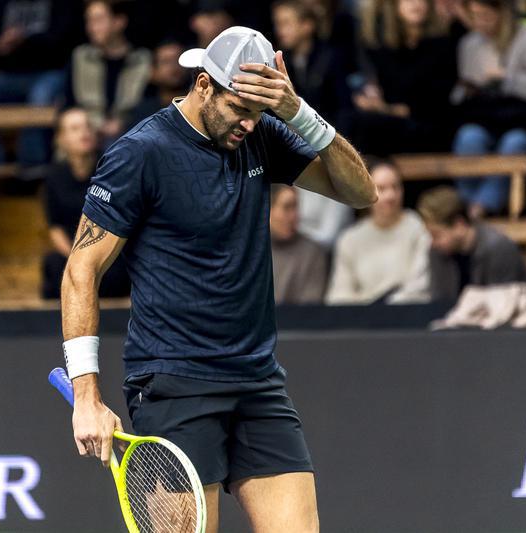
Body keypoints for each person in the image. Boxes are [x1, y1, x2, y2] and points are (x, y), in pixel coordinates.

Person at [60, 26, 376, 533]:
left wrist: (297, 112)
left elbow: (361, 193)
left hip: (256, 381)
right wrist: (86, 397)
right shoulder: (140, 153)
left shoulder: (262, 136)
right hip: (174, 384)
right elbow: (81, 270)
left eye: (259, 112)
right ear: (204, 84)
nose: (249, 124)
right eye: (239, 109)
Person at [451, 0, 526, 218]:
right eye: (474, 15)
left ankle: (478, 210)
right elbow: (459, 95)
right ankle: (467, 207)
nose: (480, 22)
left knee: (515, 143)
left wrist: (506, 79)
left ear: (502, 11)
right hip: (486, 118)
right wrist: (468, 88)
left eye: (486, 15)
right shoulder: (469, 44)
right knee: (468, 138)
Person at [0, 0, 84, 167]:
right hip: (8, 74)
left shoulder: (61, 4)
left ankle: (33, 168)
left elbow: (65, 40)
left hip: (49, 70)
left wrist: (25, 40)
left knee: (41, 97)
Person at [349, 0, 458, 155]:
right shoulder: (382, 48)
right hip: (391, 126)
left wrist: (390, 109)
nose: (416, 4)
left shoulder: (443, 44)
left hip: (431, 125)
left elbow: (438, 99)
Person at [42, 108, 130, 299]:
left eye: (87, 126)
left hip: (108, 254)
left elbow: (122, 221)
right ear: (61, 138)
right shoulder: (54, 177)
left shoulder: (112, 170)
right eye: (75, 128)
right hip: (72, 253)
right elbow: (55, 227)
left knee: (120, 270)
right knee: (54, 265)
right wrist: (76, 259)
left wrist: (96, 259)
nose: (84, 132)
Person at [326, 159, 431, 304]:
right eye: (381, 189)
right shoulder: (350, 239)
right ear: (365, 191)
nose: (390, 196)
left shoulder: (418, 228)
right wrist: (371, 309)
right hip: (362, 322)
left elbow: (420, 287)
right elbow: (338, 296)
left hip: (408, 317)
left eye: (396, 187)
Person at [417, 185, 526, 300]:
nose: (433, 242)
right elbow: (439, 302)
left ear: (459, 225)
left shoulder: (498, 248)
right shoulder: (437, 252)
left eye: (436, 235)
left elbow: (502, 306)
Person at [65, 0, 152, 146]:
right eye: (89, 21)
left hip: (132, 133)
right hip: (89, 132)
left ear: (119, 22)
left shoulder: (142, 60)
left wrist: (122, 123)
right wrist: (96, 124)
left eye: (98, 20)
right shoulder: (81, 57)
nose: (91, 28)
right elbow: (70, 102)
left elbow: (146, 105)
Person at [270, 184, 328, 304]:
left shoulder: (312, 252)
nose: (294, 216)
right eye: (287, 207)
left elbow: (309, 307)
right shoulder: (250, 251)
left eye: (295, 207)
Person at [125, 40, 188, 129]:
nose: (174, 66)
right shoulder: (143, 114)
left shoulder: (200, 107)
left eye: (178, 60)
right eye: (166, 62)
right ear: (153, 72)